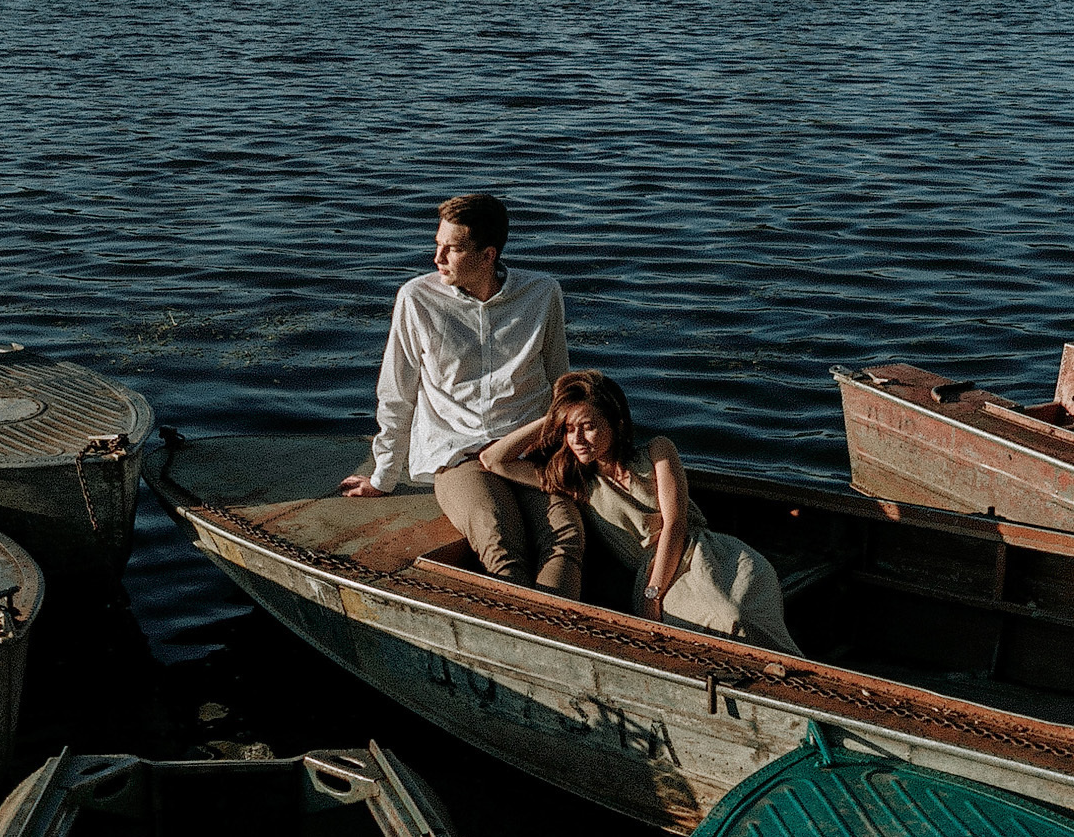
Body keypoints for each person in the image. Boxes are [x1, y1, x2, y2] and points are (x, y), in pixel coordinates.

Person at [338, 193, 583, 597]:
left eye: (452, 249)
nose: (438, 258)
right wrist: (384, 477)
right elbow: (397, 393)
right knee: (501, 541)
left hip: (528, 450)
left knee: (567, 537)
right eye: (438, 245)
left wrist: (572, 456)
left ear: (488, 255)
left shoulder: (542, 294)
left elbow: (561, 385)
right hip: (459, 455)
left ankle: (561, 637)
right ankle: (527, 639)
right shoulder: (417, 299)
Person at [481, 370, 801, 654]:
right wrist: (553, 417)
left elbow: (674, 524)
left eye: (588, 426)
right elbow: (494, 460)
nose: (576, 439)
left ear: (615, 423)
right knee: (724, 618)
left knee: (742, 609)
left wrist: (652, 592)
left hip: (707, 555)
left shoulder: (657, 451)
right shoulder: (580, 484)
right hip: (661, 578)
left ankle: (798, 676)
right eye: (569, 430)